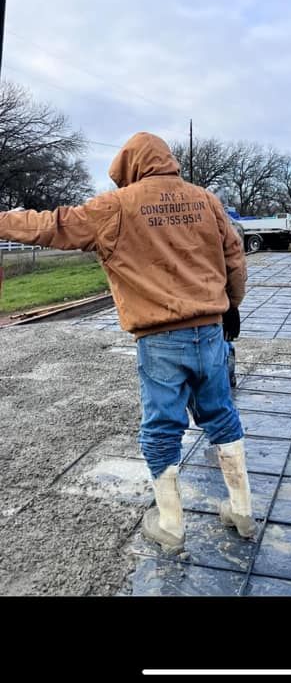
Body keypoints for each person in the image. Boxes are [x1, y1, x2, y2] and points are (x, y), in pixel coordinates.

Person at [0, 132, 256, 553]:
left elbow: (52, 225)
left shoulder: (115, 206)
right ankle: (242, 509)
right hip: (211, 330)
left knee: (161, 427)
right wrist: (232, 305)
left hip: (159, 339)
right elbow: (234, 257)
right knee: (222, 414)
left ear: (129, 167)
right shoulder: (206, 200)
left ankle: (171, 524)